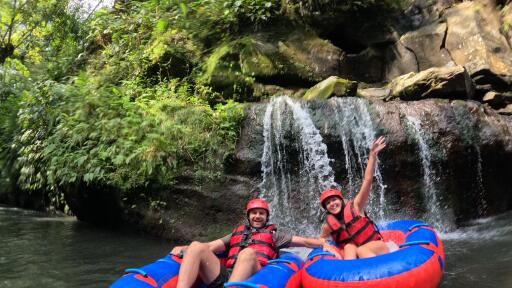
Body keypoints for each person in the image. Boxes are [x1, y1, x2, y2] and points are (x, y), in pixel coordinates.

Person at [170, 198, 339, 288]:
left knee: (248, 253)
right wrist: (187, 248)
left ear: (266, 217)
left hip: (254, 275)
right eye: (254, 213)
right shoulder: (237, 232)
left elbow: (303, 241)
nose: (257, 216)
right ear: (248, 216)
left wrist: (322, 243)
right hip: (226, 274)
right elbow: (210, 246)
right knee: (196, 246)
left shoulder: (275, 235)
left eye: (261, 213)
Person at [318, 136, 390, 260]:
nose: (332, 204)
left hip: (377, 248)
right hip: (356, 254)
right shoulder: (328, 226)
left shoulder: (356, 206)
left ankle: (381, 273)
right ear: (326, 208)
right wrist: (325, 245)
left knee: (361, 249)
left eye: (334, 200)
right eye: (328, 203)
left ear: (341, 200)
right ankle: (350, 274)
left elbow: (367, 180)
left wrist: (372, 155)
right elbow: (321, 238)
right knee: (349, 247)